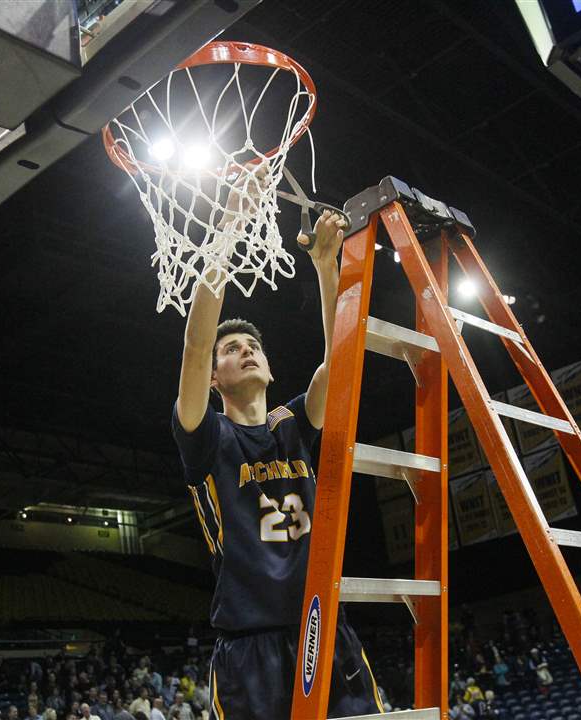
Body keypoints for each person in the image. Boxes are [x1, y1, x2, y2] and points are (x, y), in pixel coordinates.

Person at [171, 169, 379, 719]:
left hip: (325, 628)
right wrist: (231, 224)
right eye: (231, 349)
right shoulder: (207, 435)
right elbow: (195, 346)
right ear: (213, 378)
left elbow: (342, 356)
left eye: (252, 345)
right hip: (250, 647)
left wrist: (326, 267)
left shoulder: (294, 423)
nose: (245, 350)